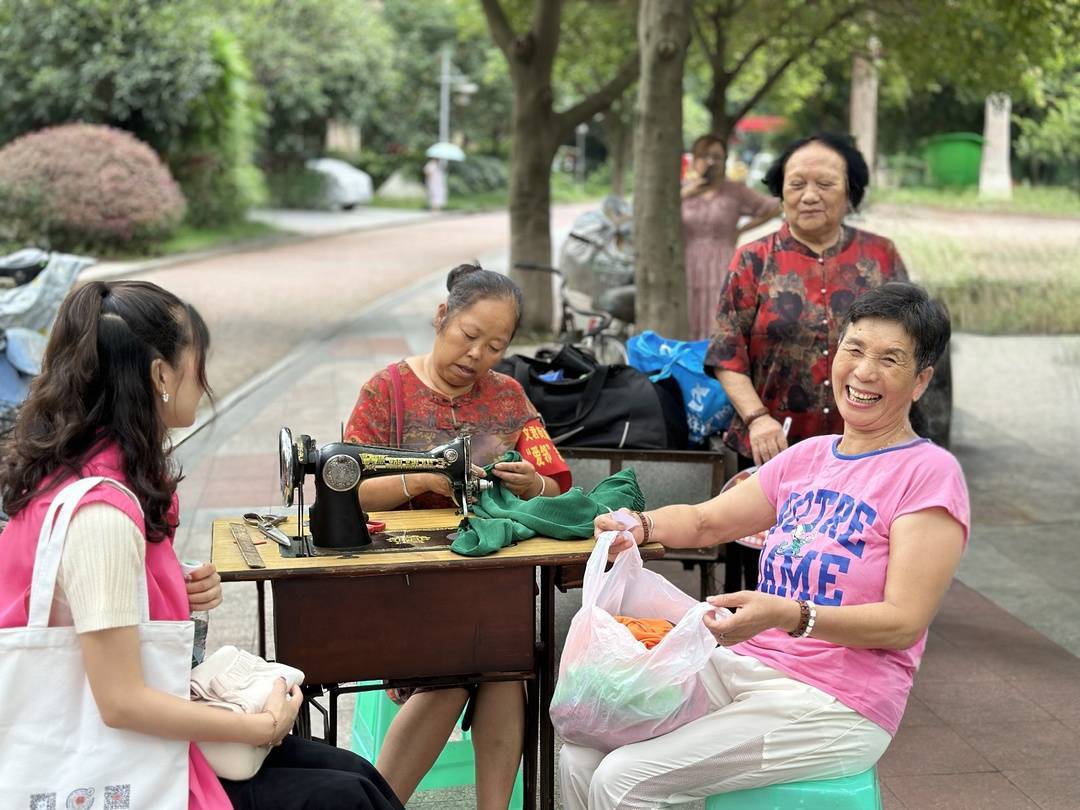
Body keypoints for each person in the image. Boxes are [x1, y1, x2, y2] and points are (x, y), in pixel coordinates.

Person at [562, 281, 969, 809]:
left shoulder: (928, 473)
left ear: (921, 381)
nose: (865, 371)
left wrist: (789, 615)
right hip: (747, 665)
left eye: (890, 359)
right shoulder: (809, 457)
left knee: (624, 779)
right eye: (855, 349)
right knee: (581, 752)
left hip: (838, 702)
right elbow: (706, 522)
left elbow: (903, 622)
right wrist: (640, 524)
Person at [0, 281, 404, 810]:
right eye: (198, 360)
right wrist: (259, 726)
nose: (203, 379)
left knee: (354, 775)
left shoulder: (83, 473)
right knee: (343, 797)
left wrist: (169, 587)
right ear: (160, 376)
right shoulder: (101, 515)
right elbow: (120, 702)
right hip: (116, 770)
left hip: (132, 745)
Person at [344, 263, 571, 808]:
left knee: (505, 668)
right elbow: (347, 491)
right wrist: (422, 478)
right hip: (404, 583)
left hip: (486, 578)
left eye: (494, 347)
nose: (476, 356)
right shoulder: (386, 392)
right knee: (460, 671)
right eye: (469, 336)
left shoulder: (509, 398)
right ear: (442, 316)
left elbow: (558, 484)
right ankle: (378, 804)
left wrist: (531, 483)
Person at [706, 132, 910, 591]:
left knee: (854, 571)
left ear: (850, 191)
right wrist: (756, 419)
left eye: (825, 183)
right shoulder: (753, 259)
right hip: (775, 448)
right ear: (780, 193)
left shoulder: (881, 257)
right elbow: (726, 353)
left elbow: (909, 348)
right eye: (796, 184)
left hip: (866, 449)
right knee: (770, 576)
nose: (809, 195)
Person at [681, 134, 780, 341]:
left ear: (725, 160)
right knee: (688, 313)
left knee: (718, 314)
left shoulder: (735, 191)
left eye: (717, 156)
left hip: (722, 261)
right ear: (695, 159)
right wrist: (688, 192)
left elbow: (773, 207)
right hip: (686, 263)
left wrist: (742, 230)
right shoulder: (683, 191)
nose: (711, 161)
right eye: (705, 156)